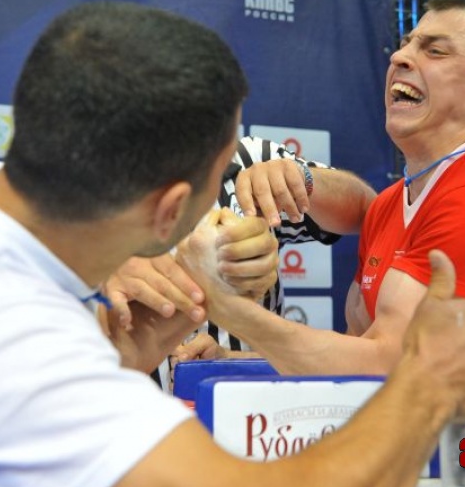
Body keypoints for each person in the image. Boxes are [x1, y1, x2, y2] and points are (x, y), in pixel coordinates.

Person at [0, 0, 465, 487]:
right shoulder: (20, 353)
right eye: (224, 180)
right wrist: (428, 388)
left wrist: (120, 360)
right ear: (169, 214)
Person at [181, 0, 465, 439]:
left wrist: (230, 311)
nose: (400, 56)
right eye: (407, 44)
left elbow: (393, 362)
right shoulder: (392, 202)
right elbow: (360, 354)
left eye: (435, 50)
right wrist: (238, 360)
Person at [103, 135, 376, 389]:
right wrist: (100, 279)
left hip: (248, 410)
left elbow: (367, 211)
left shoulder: (251, 158)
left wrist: (301, 178)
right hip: (125, 407)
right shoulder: (92, 179)